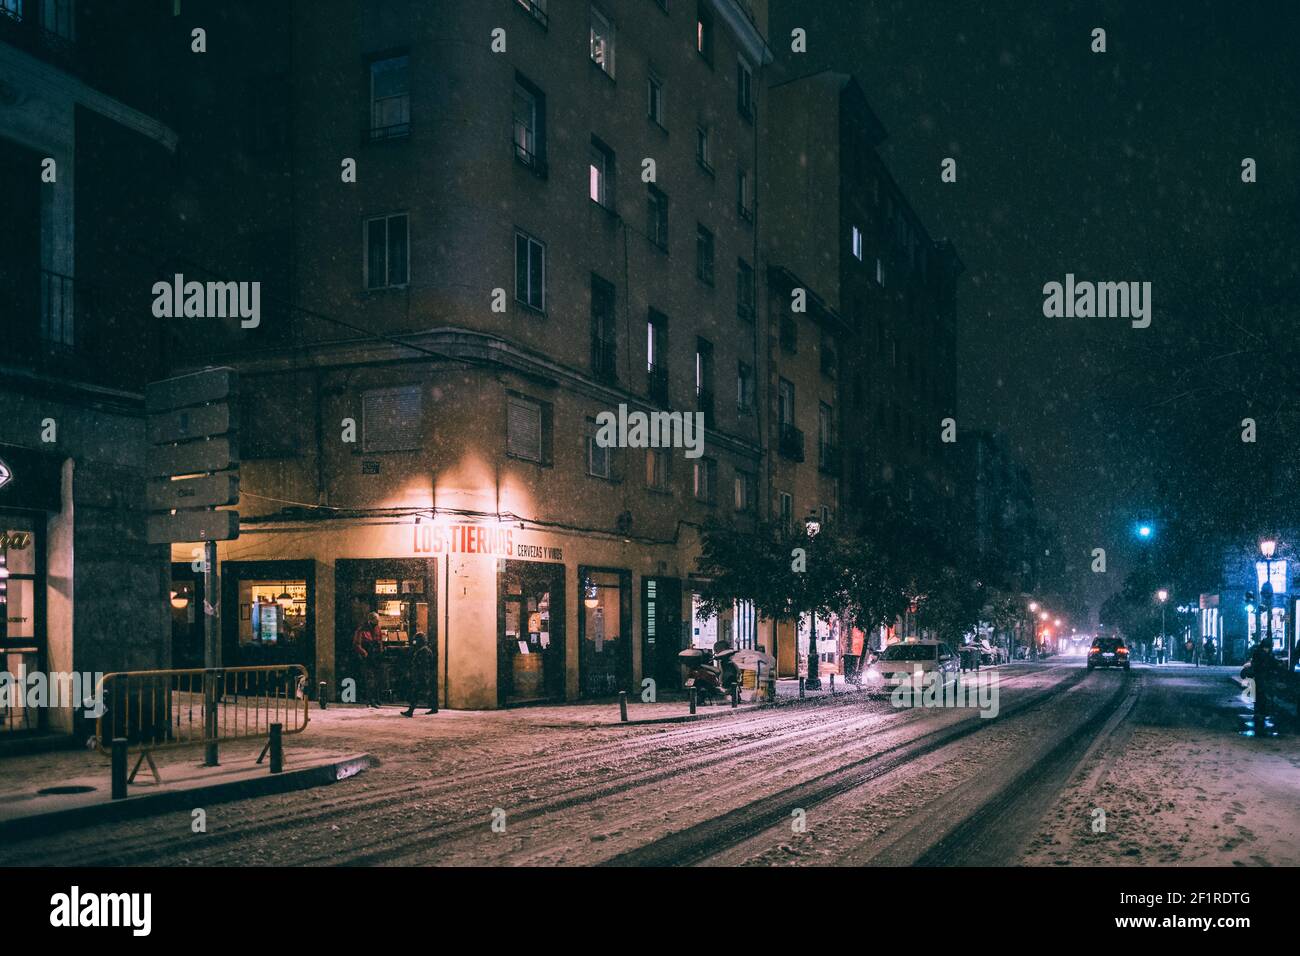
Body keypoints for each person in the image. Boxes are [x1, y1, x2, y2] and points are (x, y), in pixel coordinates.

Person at [1244, 636, 1284, 726]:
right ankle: (1261, 713)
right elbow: (1269, 664)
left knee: (1259, 695)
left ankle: (1259, 712)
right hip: (1263, 678)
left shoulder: (1258, 652)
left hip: (1259, 678)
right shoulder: (1264, 654)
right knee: (1262, 695)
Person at [353, 611, 385, 707]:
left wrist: (380, 649)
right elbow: (356, 644)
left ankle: (376, 698)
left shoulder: (377, 628)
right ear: (371, 620)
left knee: (377, 678)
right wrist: (364, 653)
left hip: (375, 656)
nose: (378, 622)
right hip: (367, 657)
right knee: (370, 679)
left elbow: (379, 640)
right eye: (376, 620)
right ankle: (371, 700)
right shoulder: (361, 630)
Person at [401, 633, 437, 717]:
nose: (415, 642)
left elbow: (423, 665)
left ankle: (410, 711)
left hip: (422, 675)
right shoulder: (424, 650)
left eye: (416, 640)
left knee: (416, 692)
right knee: (425, 692)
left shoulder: (423, 651)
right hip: (424, 675)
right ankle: (434, 707)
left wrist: (420, 675)